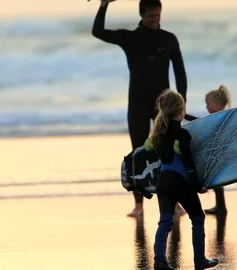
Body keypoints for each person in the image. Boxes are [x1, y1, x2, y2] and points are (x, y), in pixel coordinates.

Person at [92, 0, 188, 217]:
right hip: (137, 103)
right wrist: (104, 5)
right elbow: (97, 32)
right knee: (138, 152)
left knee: (169, 152)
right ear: (142, 15)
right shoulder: (131, 38)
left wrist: (181, 102)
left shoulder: (168, 39)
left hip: (163, 106)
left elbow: (180, 72)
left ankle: (173, 202)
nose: (156, 20)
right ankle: (139, 205)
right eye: (152, 16)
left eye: (158, 16)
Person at [146, 89, 219, 269]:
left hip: (163, 183)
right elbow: (189, 164)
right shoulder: (183, 135)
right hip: (180, 182)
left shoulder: (158, 134)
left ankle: (160, 260)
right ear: (181, 112)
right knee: (197, 217)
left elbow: (146, 148)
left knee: (165, 221)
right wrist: (198, 186)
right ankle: (200, 260)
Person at [185, 85, 232, 215]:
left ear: (217, 104)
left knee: (217, 181)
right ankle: (220, 206)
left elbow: (199, 122)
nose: (206, 107)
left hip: (218, 154)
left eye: (208, 104)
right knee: (216, 182)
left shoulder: (219, 117)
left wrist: (185, 115)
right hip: (218, 153)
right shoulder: (222, 116)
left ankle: (221, 207)